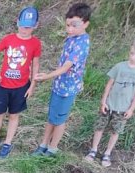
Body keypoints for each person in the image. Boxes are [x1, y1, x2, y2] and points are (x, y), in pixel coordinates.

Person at [31, 3, 91, 157]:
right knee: (52, 116)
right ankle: (43, 144)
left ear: (86, 24)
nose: (70, 29)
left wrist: (46, 76)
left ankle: (52, 148)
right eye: (68, 25)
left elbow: (66, 67)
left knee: (59, 119)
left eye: (74, 25)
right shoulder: (72, 37)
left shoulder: (82, 43)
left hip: (67, 88)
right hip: (59, 84)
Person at [0, 6, 42, 158]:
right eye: (22, 25)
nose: (24, 30)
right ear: (17, 22)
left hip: (21, 87)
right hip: (3, 85)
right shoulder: (9, 39)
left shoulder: (35, 43)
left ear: (35, 26)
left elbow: (35, 65)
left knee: (14, 115)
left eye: (28, 27)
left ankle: (7, 143)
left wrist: (32, 86)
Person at [85, 36, 135, 168]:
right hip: (109, 104)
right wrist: (103, 101)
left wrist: (131, 109)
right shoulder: (120, 66)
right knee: (99, 127)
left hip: (123, 108)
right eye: (131, 53)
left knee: (116, 131)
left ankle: (107, 153)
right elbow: (109, 84)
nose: (133, 57)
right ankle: (93, 150)